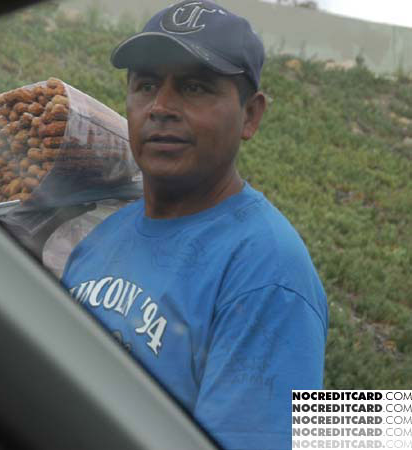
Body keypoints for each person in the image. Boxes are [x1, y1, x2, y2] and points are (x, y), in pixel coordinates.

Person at [60, 1, 328, 449]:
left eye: (195, 87)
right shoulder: (105, 235)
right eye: (145, 85)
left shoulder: (266, 272)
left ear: (251, 115)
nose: (161, 106)